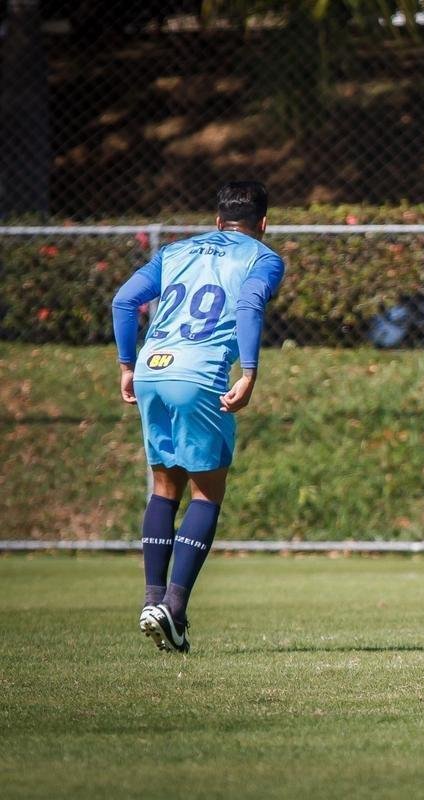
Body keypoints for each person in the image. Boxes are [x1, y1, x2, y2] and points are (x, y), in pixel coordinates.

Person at [111, 181, 285, 653]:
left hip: (153, 368)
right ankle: (175, 608)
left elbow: (124, 301)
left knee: (164, 487)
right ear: (263, 224)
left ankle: (152, 601)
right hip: (200, 375)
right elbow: (249, 303)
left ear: (216, 220)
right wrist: (248, 372)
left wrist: (128, 366)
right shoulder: (263, 258)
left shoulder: (173, 252)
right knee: (207, 493)